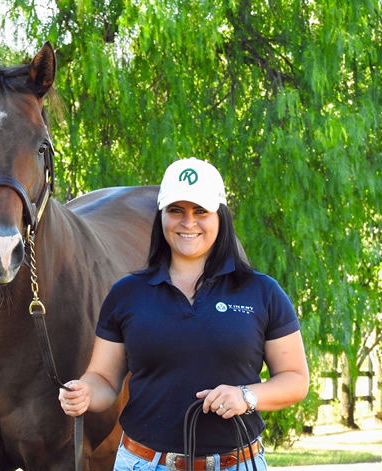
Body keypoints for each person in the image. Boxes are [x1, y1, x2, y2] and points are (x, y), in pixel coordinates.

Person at [59, 157, 309, 471]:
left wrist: (246, 396)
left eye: (200, 211)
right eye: (176, 210)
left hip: (237, 464)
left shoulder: (261, 292)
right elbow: (104, 380)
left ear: (220, 215)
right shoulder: (127, 294)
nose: (188, 222)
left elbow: (295, 380)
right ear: (161, 216)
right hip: (143, 464)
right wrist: (84, 393)